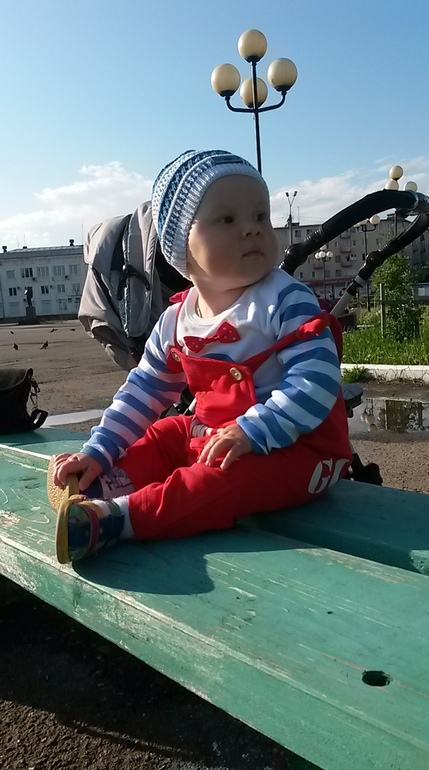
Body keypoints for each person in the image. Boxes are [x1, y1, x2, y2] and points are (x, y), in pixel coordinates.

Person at [49, 149, 351, 564]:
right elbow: (142, 393)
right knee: (166, 433)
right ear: (182, 249)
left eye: (261, 216)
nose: (251, 228)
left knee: (223, 478)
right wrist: (100, 448)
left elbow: (315, 382)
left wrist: (253, 431)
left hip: (296, 448)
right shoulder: (177, 319)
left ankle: (122, 518)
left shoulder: (284, 299)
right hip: (216, 434)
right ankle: (99, 481)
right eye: (227, 219)